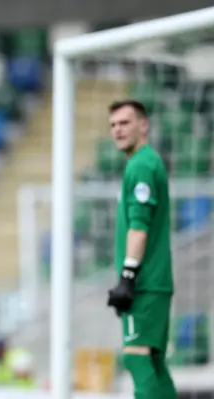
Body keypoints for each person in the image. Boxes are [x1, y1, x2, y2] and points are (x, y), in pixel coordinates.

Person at [106, 100, 177, 399]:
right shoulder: (145, 162)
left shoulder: (142, 164)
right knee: (154, 362)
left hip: (145, 282)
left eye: (125, 123)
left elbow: (140, 225)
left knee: (135, 356)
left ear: (143, 125)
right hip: (154, 281)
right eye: (113, 125)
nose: (117, 130)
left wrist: (128, 276)